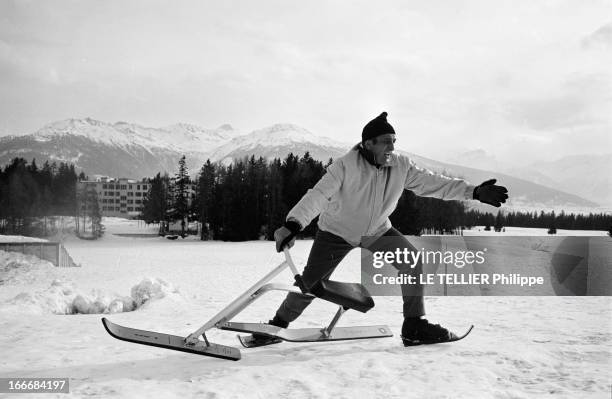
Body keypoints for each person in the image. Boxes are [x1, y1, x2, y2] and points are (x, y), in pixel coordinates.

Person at [255, 112, 508, 346]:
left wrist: (472, 191)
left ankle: (414, 325)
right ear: (368, 143)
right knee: (311, 283)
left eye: (394, 141)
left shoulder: (401, 166)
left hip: (377, 231)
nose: (392, 147)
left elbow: (434, 183)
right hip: (336, 232)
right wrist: (293, 223)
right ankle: (278, 326)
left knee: (412, 261)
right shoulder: (344, 167)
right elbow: (318, 195)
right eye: (386, 141)